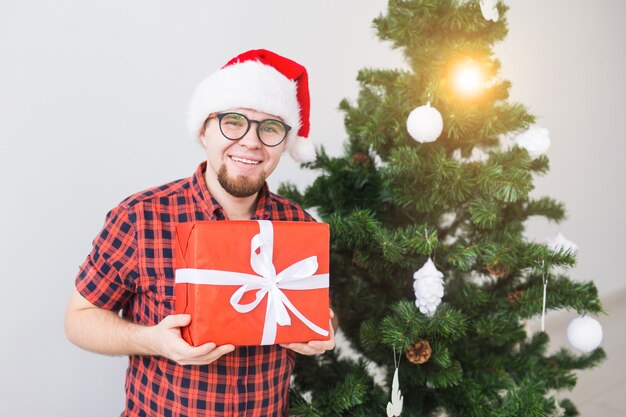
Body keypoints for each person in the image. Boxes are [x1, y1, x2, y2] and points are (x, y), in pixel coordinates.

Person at [64, 49, 335, 417]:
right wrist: (150, 340)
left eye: (269, 128)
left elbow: (315, 313)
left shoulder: (300, 226)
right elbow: (79, 318)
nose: (251, 142)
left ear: (284, 142)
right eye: (234, 122)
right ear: (204, 129)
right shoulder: (141, 218)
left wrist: (321, 331)